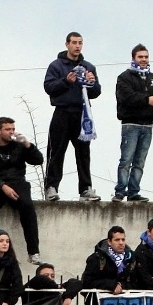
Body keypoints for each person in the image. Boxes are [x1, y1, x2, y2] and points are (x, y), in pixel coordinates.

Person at [43, 31, 102, 202]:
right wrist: (65, 81)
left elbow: (96, 92)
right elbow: (49, 87)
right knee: (56, 152)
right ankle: (51, 187)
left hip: (82, 114)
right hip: (62, 112)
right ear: (67, 44)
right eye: (74, 42)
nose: (77, 46)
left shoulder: (89, 66)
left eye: (80, 43)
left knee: (83, 153)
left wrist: (92, 83)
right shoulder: (56, 65)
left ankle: (85, 189)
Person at [113, 44, 153, 202]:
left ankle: (133, 192)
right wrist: (146, 99)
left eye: (146, 57)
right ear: (133, 58)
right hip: (130, 125)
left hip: (147, 125)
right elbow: (126, 97)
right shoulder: (124, 78)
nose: (143, 60)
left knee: (140, 162)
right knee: (126, 159)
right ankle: (120, 191)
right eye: (140, 57)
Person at [0, 116, 43, 265]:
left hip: (17, 182)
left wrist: (27, 144)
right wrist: (3, 186)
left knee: (27, 205)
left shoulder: (19, 145)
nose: (11, 132)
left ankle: (33, 252)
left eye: (13, 129)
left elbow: (38, 160)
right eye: (8, 129)